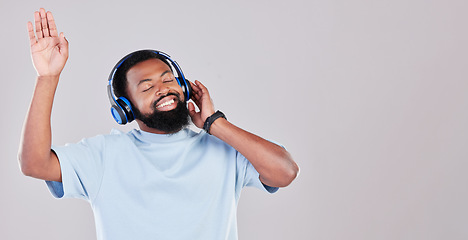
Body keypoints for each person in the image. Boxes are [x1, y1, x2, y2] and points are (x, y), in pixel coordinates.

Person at [19, 8, 299, 240]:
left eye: (168, 79)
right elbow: (34, 164)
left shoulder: (224, 147)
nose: (163, 89)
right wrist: (47, 78)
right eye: (147, 86)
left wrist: (215, 123)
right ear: (125, 108)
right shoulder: (104, 155)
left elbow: (285, 172)